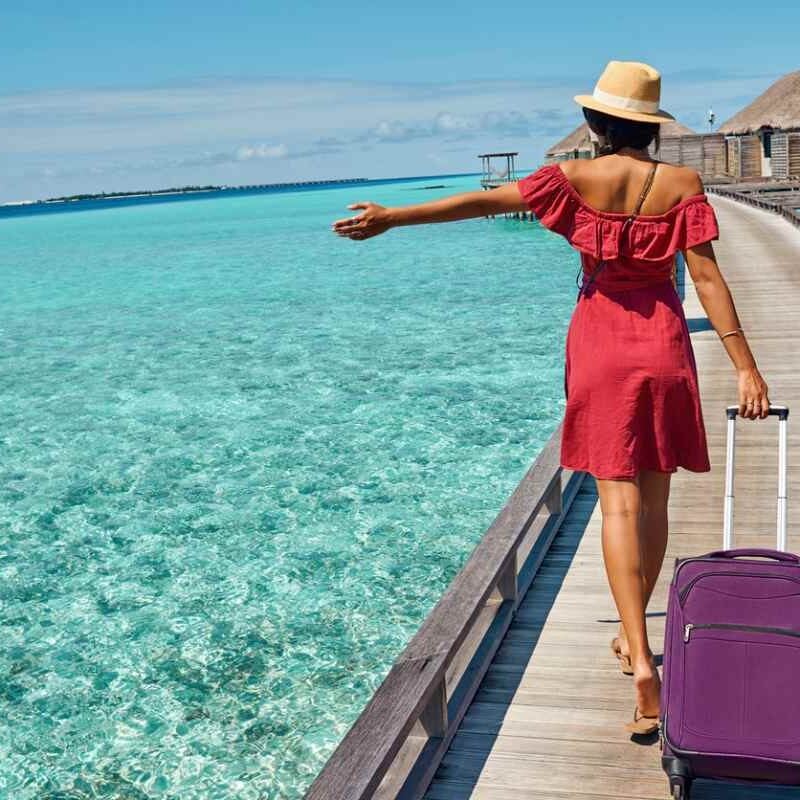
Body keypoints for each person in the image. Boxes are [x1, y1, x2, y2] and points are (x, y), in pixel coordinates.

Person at [330, 60, 770, 736]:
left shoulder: (570, 180)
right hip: (662, 345)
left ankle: (639, 651)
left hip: (599, 346)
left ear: (595, 124)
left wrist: (395, 217)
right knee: (654, 500)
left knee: (614, 502)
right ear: (650, 128)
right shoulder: (681, 183)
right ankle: (635, 643)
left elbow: (479, 203)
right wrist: (746, 368)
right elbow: (707, 281)